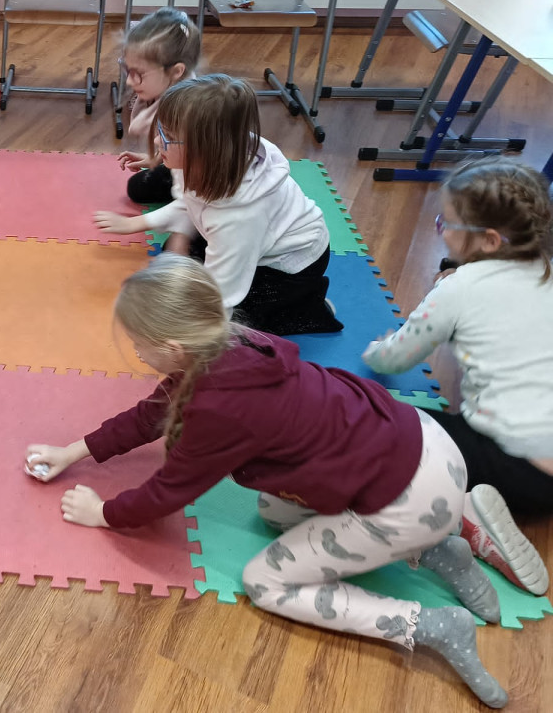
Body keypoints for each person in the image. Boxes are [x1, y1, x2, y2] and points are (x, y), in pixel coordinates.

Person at [25, 255, 510, 708]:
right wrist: (74, 451)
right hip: (425, 441)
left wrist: (104, 514)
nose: (134, 351)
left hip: (410, 497)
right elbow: (150, 414)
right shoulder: (231, 341)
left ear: (172, 349)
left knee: (266, 582)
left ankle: (431, 626)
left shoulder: (219, 408)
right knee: (273, 510)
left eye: (137, 343)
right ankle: (438, 550)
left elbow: (168, 491)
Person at [364, 157, 553, 596]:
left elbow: (396, 358)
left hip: (514, 470)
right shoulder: (544, 272)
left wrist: (375, 349)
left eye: (446, 223)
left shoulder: (459, 289)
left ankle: (471, 516)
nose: (441, 231)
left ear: (489, 240)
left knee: (374, 416)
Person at [94, 74, 342, 336]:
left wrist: (196, 334)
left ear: (204, 150)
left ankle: (306, 308)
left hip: (291, 266)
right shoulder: (211, 158)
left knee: (238, 327)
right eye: (160, 131)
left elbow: (222, 296)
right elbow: (190, 204)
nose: (157, 141)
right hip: (241, 235)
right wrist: (140, 223)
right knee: (175, 261)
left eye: (167, 136)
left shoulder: (237, 219)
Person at [117, 8, 201, 205]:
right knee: (138, 187)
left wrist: (137, 221)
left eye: (139, 74)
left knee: (141, 188)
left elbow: (194, 199)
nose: (129, 81)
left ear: (176, 71)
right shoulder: (172, 90)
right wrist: (155, 158)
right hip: (187, 163)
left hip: (208, 180)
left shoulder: (187, 111)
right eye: (127, 70)